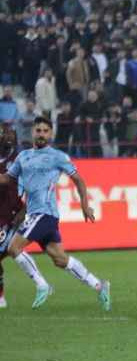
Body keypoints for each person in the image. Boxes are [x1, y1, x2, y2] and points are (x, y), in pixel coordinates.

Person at [0, 116, 111, 310]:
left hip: (45, 213)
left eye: (45, 131)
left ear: (50, 134)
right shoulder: (23, 156)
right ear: (33, 132)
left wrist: (84, 204)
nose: (41, 134)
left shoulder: (57, 156)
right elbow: (7, 180)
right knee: (60, 259)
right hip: (36, 214)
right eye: (38, 130)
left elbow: (78, 180)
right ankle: (100, 286)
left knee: (13, 247)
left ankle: (43, 285)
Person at [0, 124, 27, 308]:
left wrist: (22, 211)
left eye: (13, 134)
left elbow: (7, 182)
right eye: (6, 133)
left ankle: (1, 296)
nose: (10, 137)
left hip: (9, 213)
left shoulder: (19, 158)